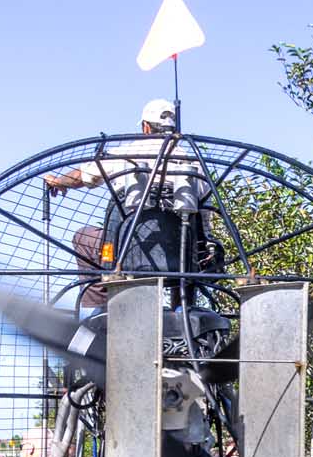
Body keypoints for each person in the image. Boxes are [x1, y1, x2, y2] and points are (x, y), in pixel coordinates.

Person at [43, 99, 219, 306]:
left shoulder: (127, 153)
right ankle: (184, 309)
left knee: (84, 238)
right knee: (190, 250)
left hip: (126, 252)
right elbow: (205, 218)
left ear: (145, 126)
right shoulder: (194, 163)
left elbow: (84, 175)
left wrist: (59, 182)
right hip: (181, 255)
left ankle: (99, 312)